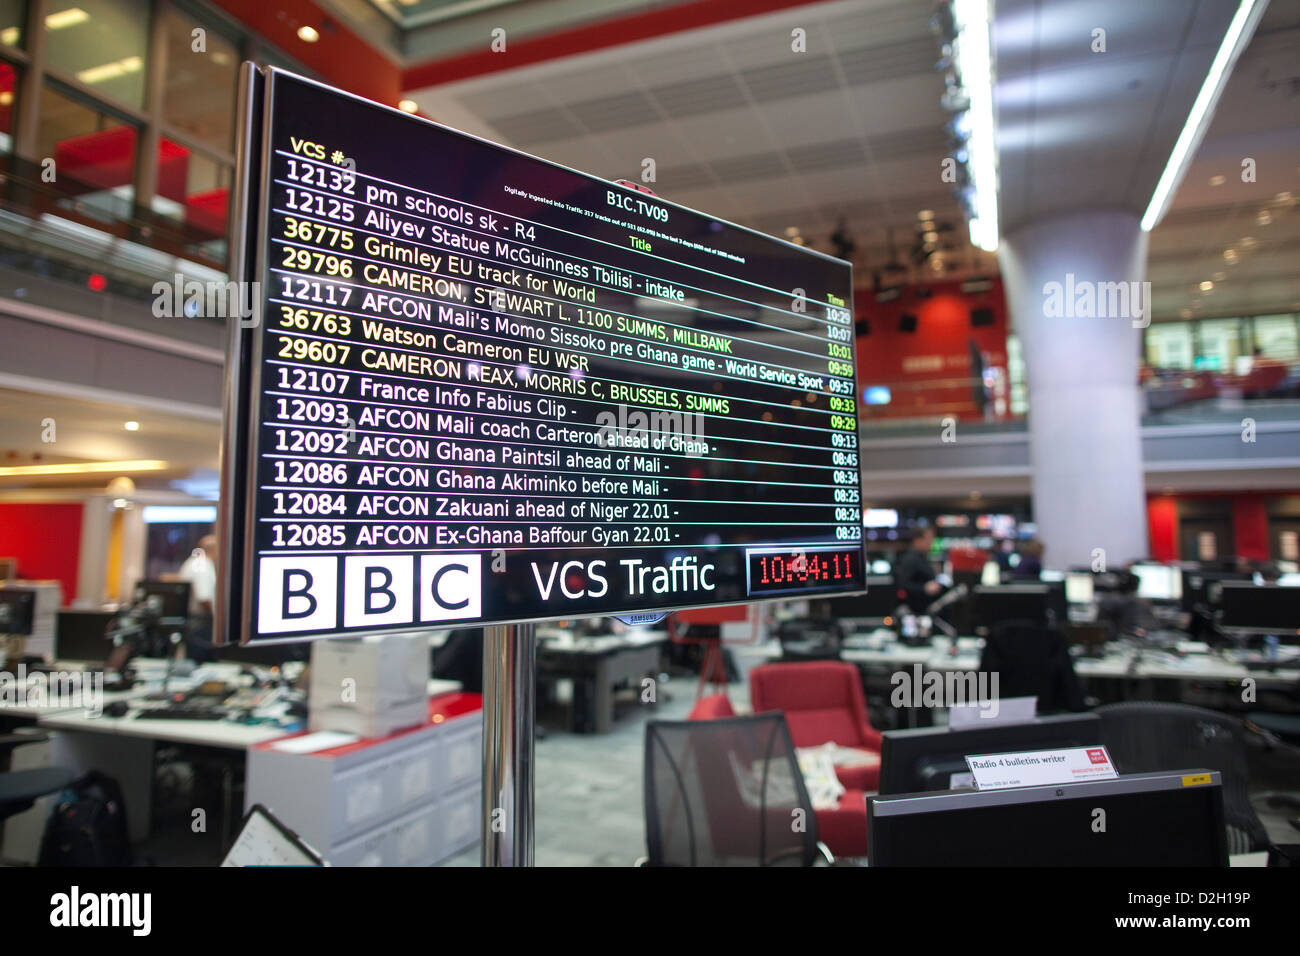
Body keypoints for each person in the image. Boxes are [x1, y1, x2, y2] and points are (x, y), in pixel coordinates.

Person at [177, 534, 217, 660]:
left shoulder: (191, 563)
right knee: (201, 661)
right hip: (201, 624)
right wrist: (218, 620)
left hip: (191, 622)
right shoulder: (203, 566)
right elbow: (204, 598)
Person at [896, 527, 942, 612]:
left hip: (929, 607)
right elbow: (902, 584)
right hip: (914, 609)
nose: (930, 542)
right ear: (917, 540)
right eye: (928, 538)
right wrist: (924, 588)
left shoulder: (924, 558)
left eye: (932, 538)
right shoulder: (909, 560)